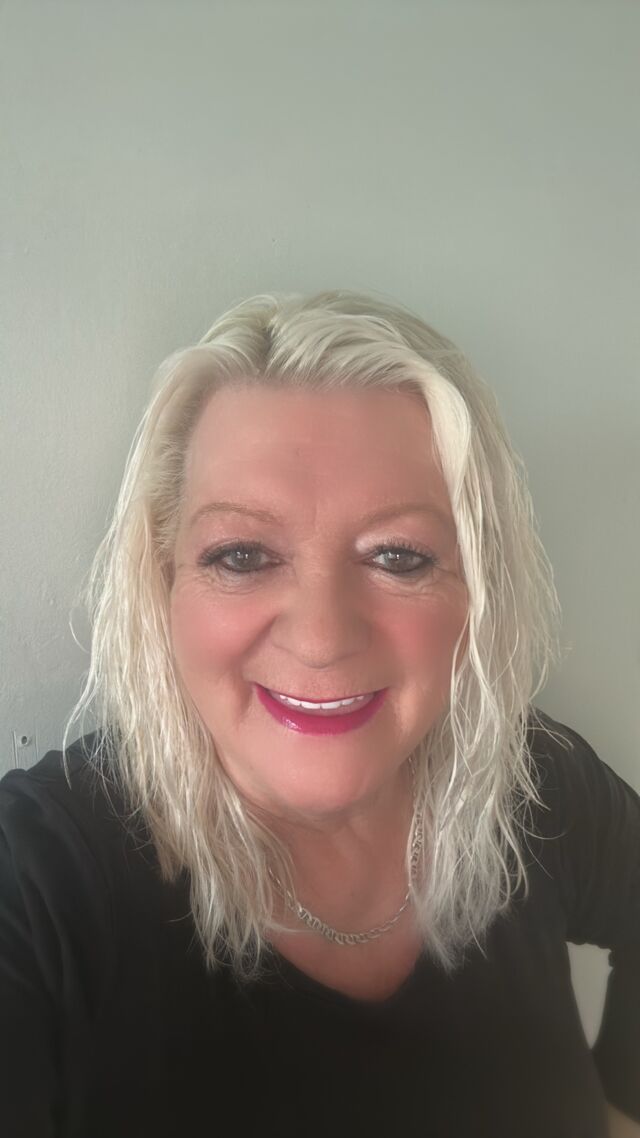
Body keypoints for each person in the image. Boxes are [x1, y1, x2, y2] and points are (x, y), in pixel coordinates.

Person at [0, 290, 638, 1138]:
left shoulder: (534, 782)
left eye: (398, 556)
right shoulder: (37, 886)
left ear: (478, 584)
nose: (322, 638)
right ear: (163, 579)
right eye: (242, 555)